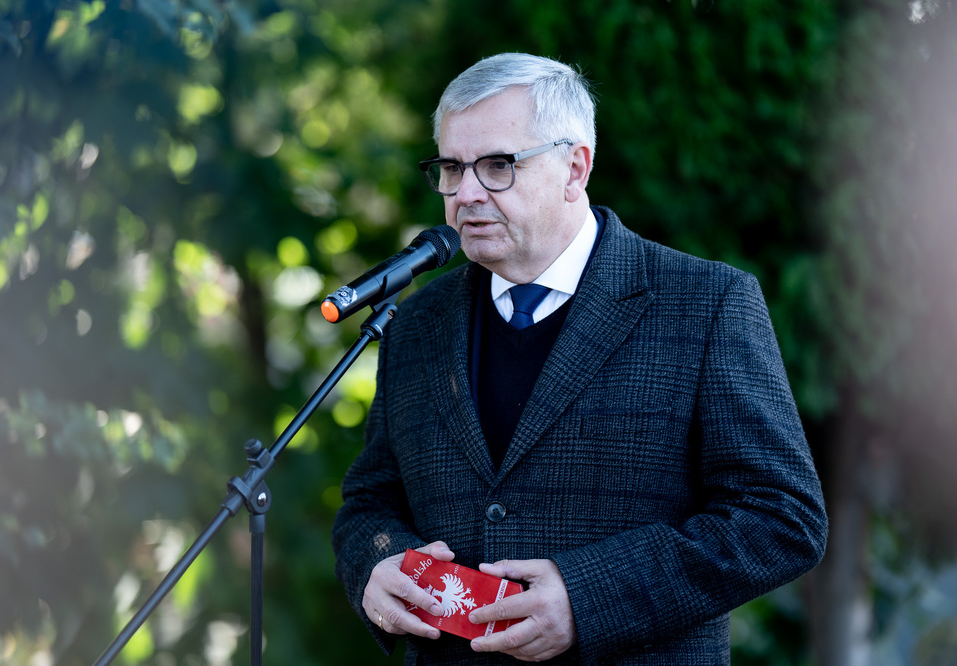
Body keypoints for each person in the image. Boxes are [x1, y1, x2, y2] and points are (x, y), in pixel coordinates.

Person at [331, 52, 827, 665]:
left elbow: (781, 517)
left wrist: (587, 598)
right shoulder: (416, 323)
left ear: (575, 168)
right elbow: (369, 503)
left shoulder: (706, 304)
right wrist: (375, 567)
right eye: (452, 168)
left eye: (498, 165)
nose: (466, 194)